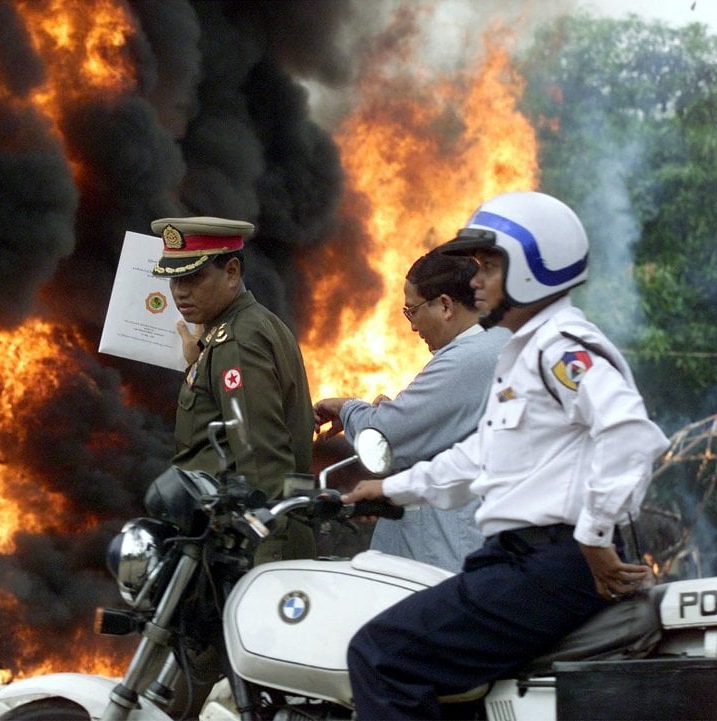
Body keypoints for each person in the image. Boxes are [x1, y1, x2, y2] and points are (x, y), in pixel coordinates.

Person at [342, 191, 670, 720]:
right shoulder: (522, 352)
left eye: (491, 266)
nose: (476, 281)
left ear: (536, 269)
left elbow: (631, 434)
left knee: (381, 655)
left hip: (551, 561)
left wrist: (594, 534)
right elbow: (481, 458)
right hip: (517, 557)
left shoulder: (563, 348)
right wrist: (390, 489)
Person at [313, 251, 510, 571]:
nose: (412, 326)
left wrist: (348, 408)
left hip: (441, 551)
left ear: (445, 305)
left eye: (412, 311)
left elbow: (385, 436)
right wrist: (404, 415)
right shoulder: (494, 342)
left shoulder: (467, 358)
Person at [150, 215, 317, 563]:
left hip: (250, 547)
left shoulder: (237, 341)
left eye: (193, 276)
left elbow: (262, 462)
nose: (180, 291)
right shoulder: (243, 327)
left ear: (231, 272)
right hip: (237, 540)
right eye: (173, 279)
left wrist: (265, 565)